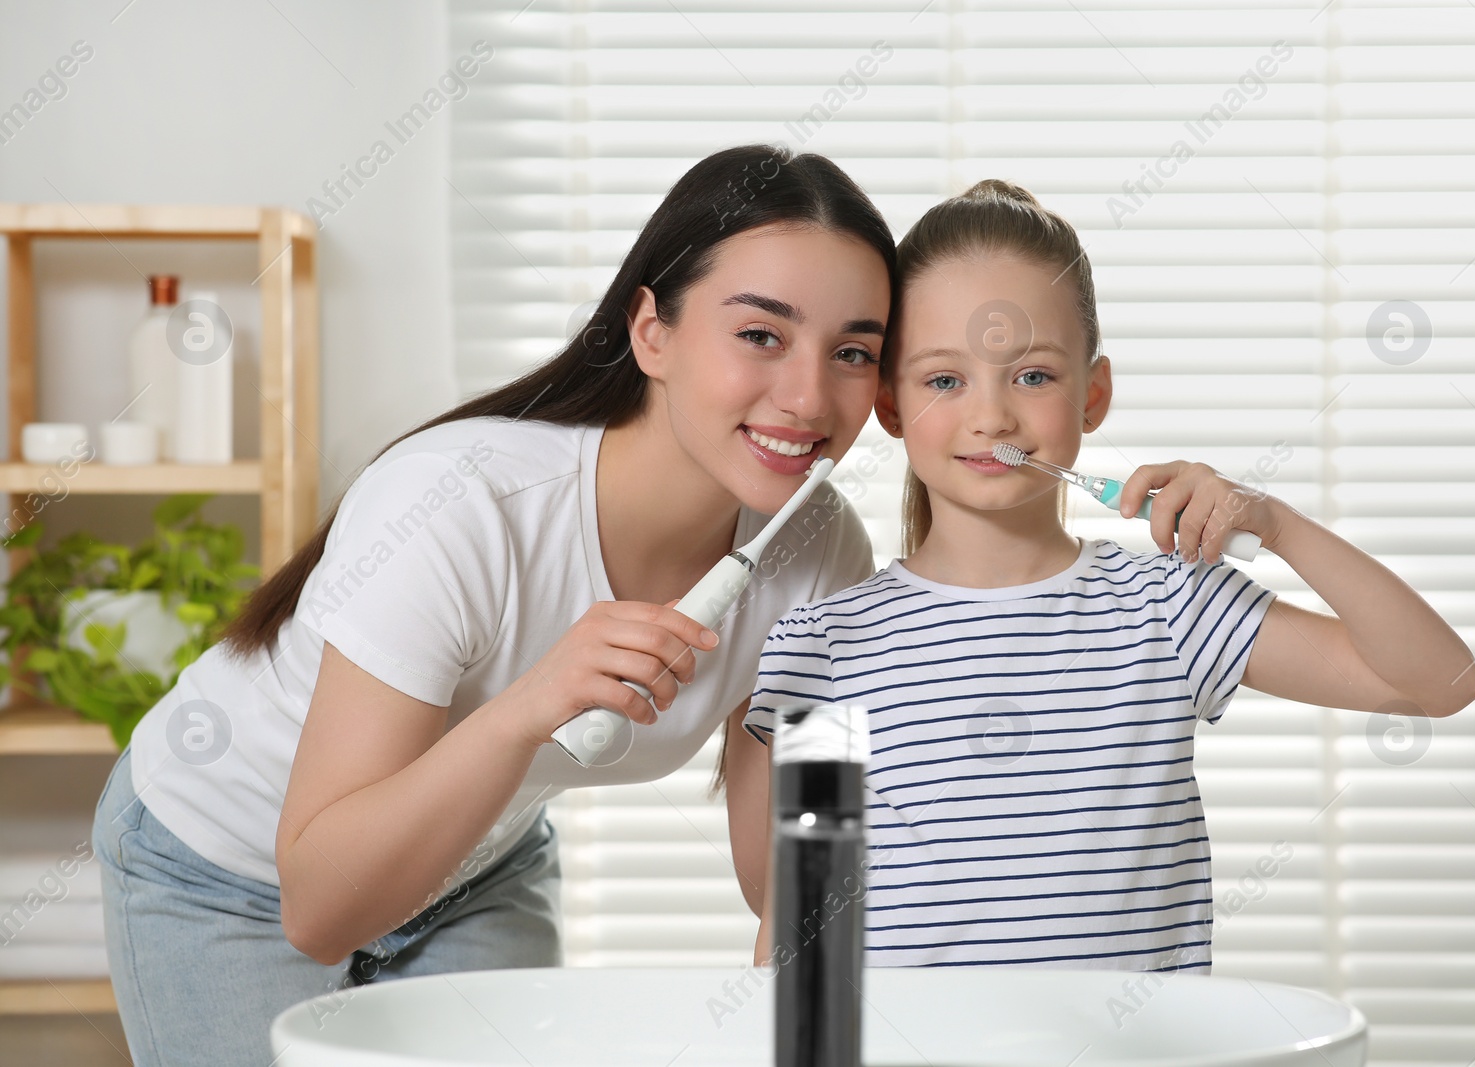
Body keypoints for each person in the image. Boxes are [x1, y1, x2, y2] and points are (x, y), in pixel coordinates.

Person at [92, 143, 894, 1066]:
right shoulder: (458, 503)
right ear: (652, 332)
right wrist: (528, 707)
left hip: (478, 866)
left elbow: (788, 880)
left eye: (854, 353)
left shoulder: (820, 548)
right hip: (218, 864)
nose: (807, 395)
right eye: (761, 334)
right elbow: (316, 908)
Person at [727, 179, 1475, 971]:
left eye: (1033, 375)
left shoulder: (1169, 605)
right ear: (889, 404)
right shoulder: (825, 643)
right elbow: (791, 922)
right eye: (944, 380)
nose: (992, 416)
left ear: (1094, 394)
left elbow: (1443, 681)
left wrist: (1278, 524)